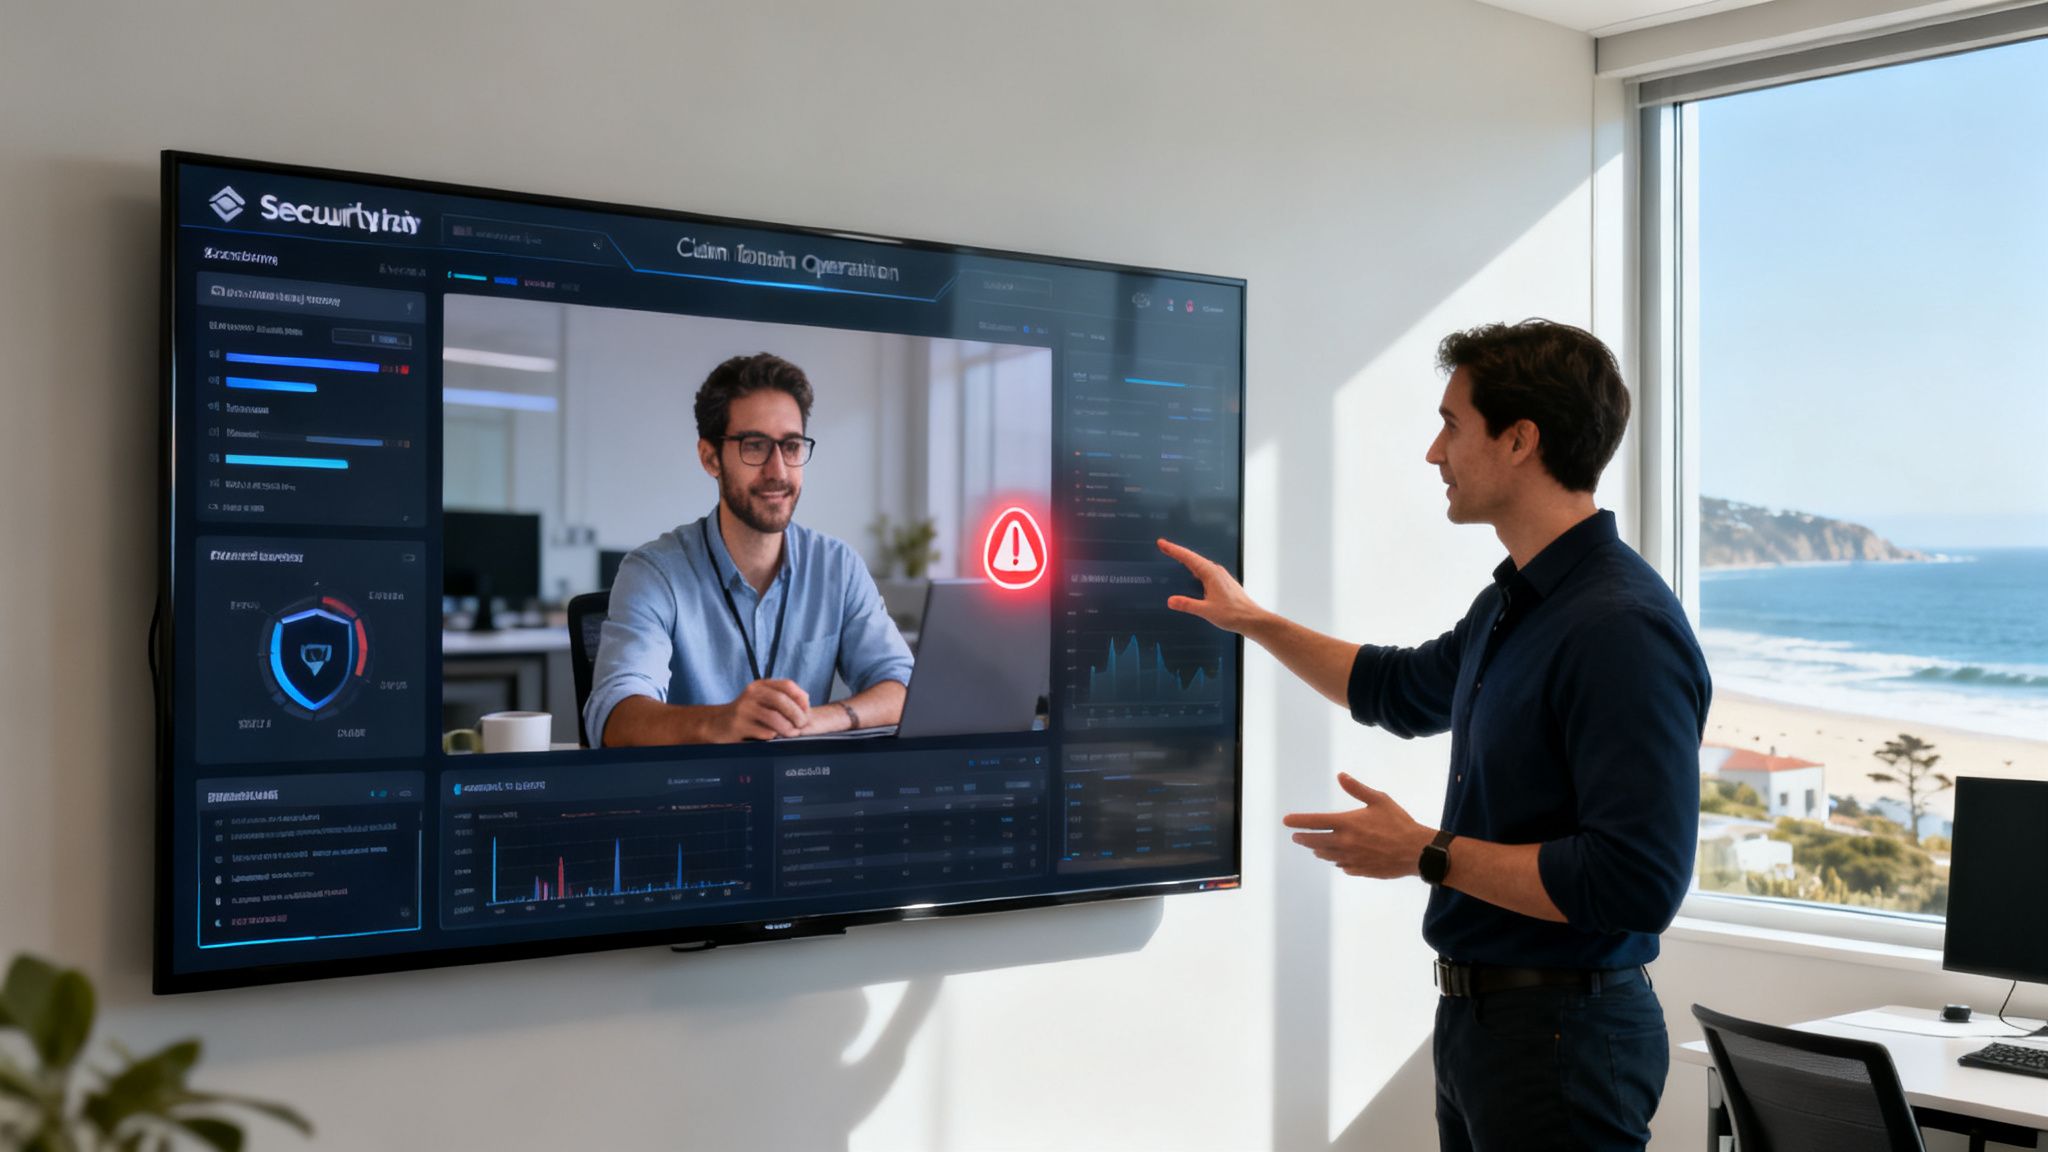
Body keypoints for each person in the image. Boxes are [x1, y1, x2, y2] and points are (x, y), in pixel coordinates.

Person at [1161, 320, 1709, 1151]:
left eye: (1452, 425)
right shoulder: (1515, 605)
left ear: (1520, 440)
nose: (1433, 452)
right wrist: (1251, 621)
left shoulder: (1620, 629)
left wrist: (1426, 851)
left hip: (1564, 1036)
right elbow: (1396, 689)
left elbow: (1636, 882)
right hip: (1487, 1029)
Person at [585, 352, 912, 746]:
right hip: (696, 784)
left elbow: (904, 687)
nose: (778, 471)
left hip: (800, 781)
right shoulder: (654, 573)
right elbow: (615, 718)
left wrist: (816, 720)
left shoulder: (837, 567)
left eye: (791, 446)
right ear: (710, 458)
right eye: (755, 446)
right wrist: (723, 722)